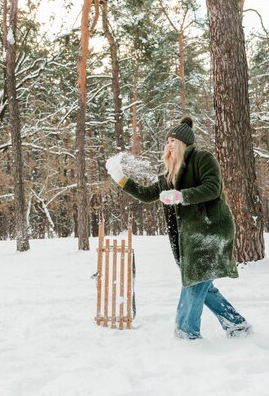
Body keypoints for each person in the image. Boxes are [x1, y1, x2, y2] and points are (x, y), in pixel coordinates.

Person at [106, 117, 251, 340]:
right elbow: (146, 195)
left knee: (194, 281)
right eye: (167, 140)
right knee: (203, 284)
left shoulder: (202, 158)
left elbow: (213, 188)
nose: (169, 144)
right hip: (187, 237)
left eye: (173, 139)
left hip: (210, 230)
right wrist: (120, 178)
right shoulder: (168, 175)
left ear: (184, 143)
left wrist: (181, 196)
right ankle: (237, 325)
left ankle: (186, 333)